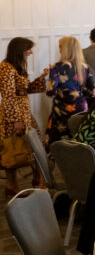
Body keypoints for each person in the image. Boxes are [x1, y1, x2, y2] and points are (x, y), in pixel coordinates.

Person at [1, 38, 49, 194]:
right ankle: (12, 185)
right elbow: (8, 95)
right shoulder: (6, 68)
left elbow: (25, 89)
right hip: (14, 116)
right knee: (13, 150)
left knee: (36, 147)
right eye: (28, 49)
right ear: (19, 50)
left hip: (25, 114)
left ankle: (36, 178)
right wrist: (15, 120)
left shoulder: (18, 67)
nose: (31, 52)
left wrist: (41, 78)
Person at [46, 36, 95, 144]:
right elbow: (93, 92)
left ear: (65, 49)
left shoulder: (56, 67)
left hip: (62, 109)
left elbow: (51, 92)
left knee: (60, 142)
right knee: (78, 139)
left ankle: (59, 160)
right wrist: (79, 93)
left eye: (60, 47)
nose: (59, 49)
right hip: (81, 107)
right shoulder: (85, 67)